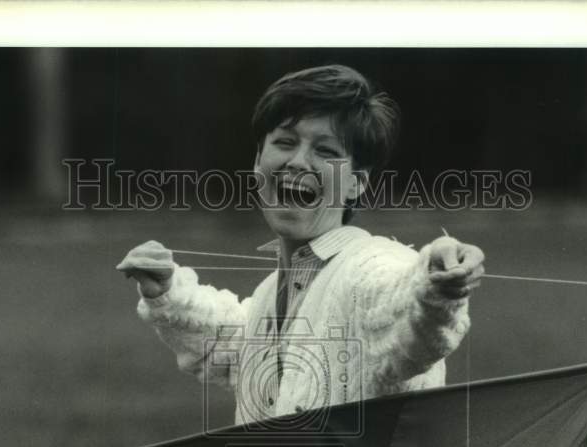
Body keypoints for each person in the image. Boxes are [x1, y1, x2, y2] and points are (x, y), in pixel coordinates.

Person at [117, 64, 485, 426]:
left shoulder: (369, 266)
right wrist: (168, 292)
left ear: (357, 183)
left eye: (326, 151)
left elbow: (400, 315)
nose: (297, 162)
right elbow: (235, 347)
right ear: (258, 160)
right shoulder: (270, 294)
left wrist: (435, 282)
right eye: (285, 142)